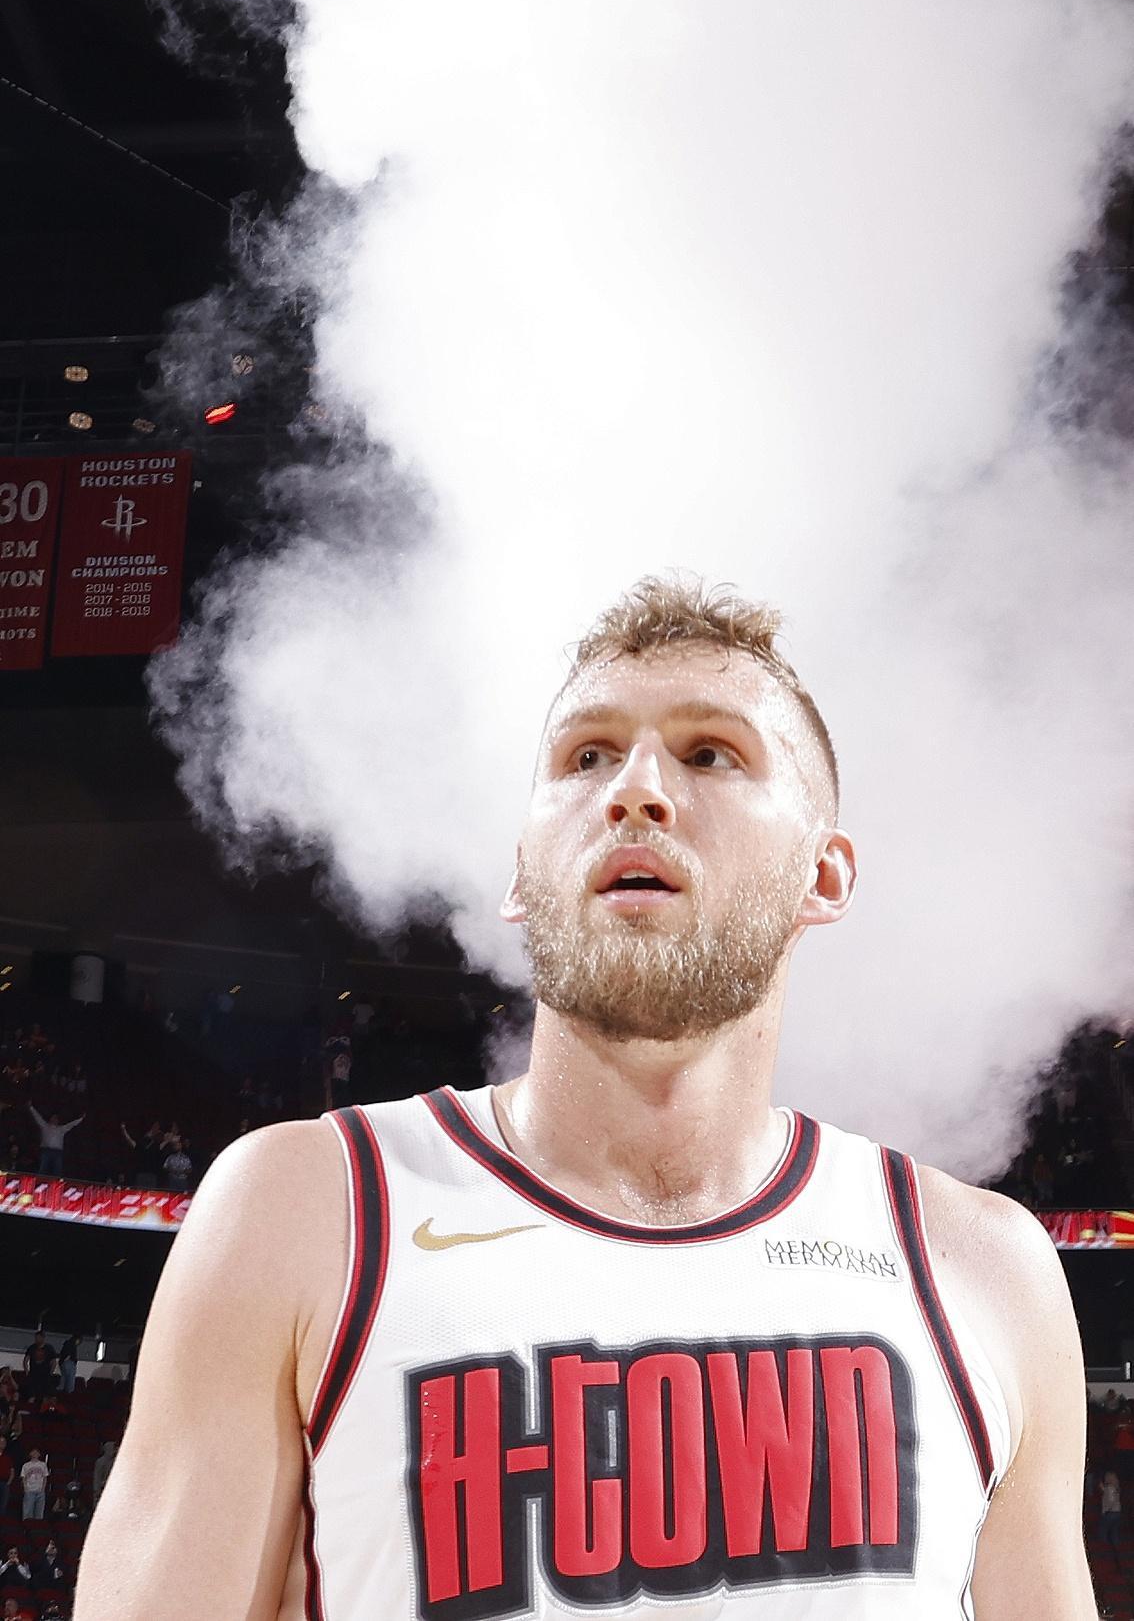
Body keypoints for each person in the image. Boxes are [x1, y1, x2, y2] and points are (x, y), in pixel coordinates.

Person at [74, 578, 1096, 1618]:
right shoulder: (302, 1213)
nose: (635, 789)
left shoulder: (982, 1271)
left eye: (711, 753)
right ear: (523, 874)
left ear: (822, 877)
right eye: (588, 756)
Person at [25, 1107, 84, 1179]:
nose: (54, 1119)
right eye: (53, 1118)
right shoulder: (45, 1126)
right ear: (50, 1119)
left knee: (57, 1170)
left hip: (57, 1152)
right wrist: (31, 1108)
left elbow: (71, 1124)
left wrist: (80, 1119)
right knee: (43, 1169)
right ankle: (40, 1181)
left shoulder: (61, 1129)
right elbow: (37, 1117)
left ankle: (56, 1183)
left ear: (58, 1120)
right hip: (46, 1150)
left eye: (56, 1118)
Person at [21, 1335, 56, 1408]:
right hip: (33, 1375)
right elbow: (26, 1360)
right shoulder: (32, 1347)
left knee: (46, 1395)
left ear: (43, 1338)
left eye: (39, 1338)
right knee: (31, 1395)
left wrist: (51, 1373)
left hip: (45, 1376)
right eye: (36, 1338)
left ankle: (43, 1410)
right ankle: (29, 1409)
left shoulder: (49, 1348)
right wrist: (26, 1371)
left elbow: (53, 1361)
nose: (37, 1339)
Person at [1099, 1469, 1123, 1567]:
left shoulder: (1110, 1488)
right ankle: (1116, 1556)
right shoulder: (1116, 1488)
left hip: (1110, 1513)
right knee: (1114, 1534)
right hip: (1117, 1512)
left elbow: (1110, 1500)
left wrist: (1105, 1511)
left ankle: (1106, 1553)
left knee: (1103, 1532)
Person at [18, 1451, 46, 1522]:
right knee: (28, 1512)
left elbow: (45, 1477)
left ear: (39, 1454)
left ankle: (38, 1527)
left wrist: (43, 1489)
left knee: (39, 1512)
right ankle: (27, 1526)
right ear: (30, 1454)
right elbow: (23, 1477)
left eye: (36, 1452)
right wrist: (25, 1488)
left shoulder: (43, 1464)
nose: (35, 1454)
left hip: (40, 1490)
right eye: (33, 1452)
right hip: (29, 1490)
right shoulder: (26, 1465)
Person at [91, 1442, 116, 1509]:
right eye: (113, 1448)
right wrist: (97, 1490)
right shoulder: (100, 1462)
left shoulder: (115, 1461)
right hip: (102, 1488)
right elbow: (97, 1477)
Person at [0, 1438, 11, 1518]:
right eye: (1, 1441)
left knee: (3, 1504)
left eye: (4, 1442)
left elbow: (12, 1470)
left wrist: (8, 1482)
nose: (2, 1443)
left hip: (4, 1482)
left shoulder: (8, 1457)